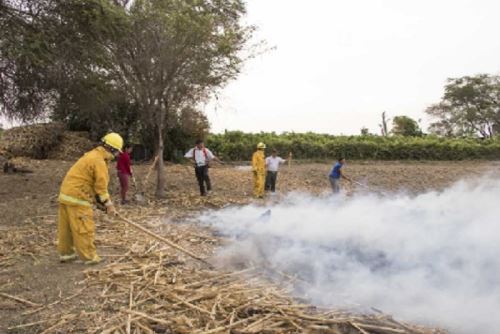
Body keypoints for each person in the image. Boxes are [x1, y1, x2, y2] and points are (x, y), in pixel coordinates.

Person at [57, 132, 123, 265]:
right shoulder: (99, 162)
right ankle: (90, 257)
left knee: (67, 228)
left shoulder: (92, 155)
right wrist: (109, 205)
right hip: (78, 198)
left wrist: (98, 203)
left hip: (66, 195)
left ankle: (67, 254)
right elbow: (101, 188)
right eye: (117, 152)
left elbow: (88, 181)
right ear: (112, 149)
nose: (116, 156)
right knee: (84, 228)